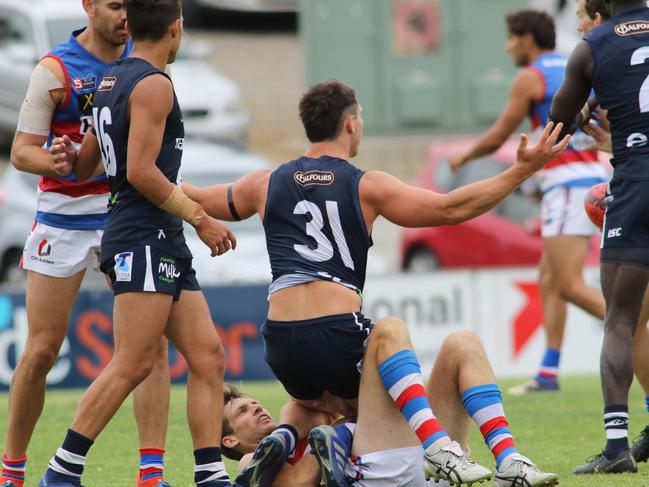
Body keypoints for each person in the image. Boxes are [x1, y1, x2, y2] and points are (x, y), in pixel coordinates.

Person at [176, 79, 569, 486]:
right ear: (350, 124)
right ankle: (437, 447)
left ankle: (291, 438)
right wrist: (523, 169)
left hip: (281, 343)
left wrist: (155, 177)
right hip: (335, 328)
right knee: (389, 334)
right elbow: (451, 209)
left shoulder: (265, 182)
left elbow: (195, 196)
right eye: (360, 116)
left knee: (316, 403)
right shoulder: (367, 184)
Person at [39, 1, 236, 486]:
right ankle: (61, 472)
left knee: (208, 355)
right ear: (176, 28)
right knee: (132, 362)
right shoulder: (152, 83)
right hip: (143, 233)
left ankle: (210, 474)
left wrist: (68, 151)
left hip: (156, 234)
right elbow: (140, 172)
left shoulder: (109, 78)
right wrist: (201, 219)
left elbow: (87, 166)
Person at [2, 1, 171, 486]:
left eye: (130, 6)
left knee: (150, 347)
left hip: (124, 213)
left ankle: (151, 474)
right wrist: (53, 161)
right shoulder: (55, 70)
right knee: (41, 352)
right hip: (62, 220)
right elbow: (20, 151)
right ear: (89, 6)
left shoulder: (141, 63)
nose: (125, 16)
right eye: (115, 5)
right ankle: (12, 470)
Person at [447, 9, 608, 395]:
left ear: (527, 40)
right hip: (587, 179)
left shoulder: (530, 77)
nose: (507, 47)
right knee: (549, 279)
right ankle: (548, 373)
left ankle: (636, 330)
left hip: (567, 185)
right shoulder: (575, 64)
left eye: (510, 38)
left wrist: (463, 157)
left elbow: (498, 135)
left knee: (567, 284)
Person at [221, 330, 559, 487]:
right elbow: (297, 482)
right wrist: (299, 432)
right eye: (242, 413)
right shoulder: (251, 461)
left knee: (464, 343)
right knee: (386, 332)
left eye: (253, 403)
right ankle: (438, 449)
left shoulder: (301, 411)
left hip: (434, 469)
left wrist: (310, 422)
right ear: (230, 442)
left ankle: (507, 460)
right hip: (383, 475)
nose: (255, 408)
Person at [548, 0, 649, 475]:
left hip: (634, 187)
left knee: (623, 320)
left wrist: (592, 111)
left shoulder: (593, 47)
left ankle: (616, 448)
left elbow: (560, 121)